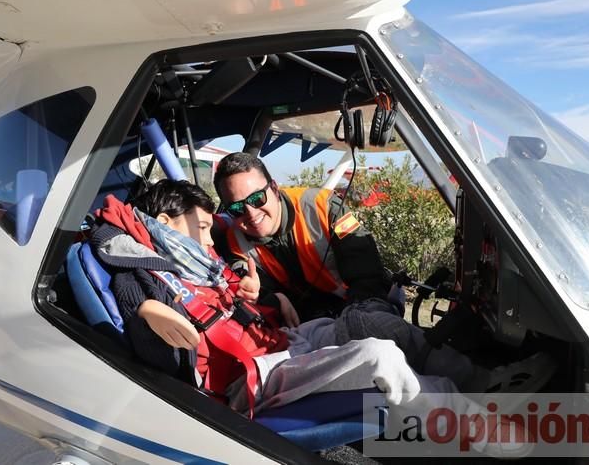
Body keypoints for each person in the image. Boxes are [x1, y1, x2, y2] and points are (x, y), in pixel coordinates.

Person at [88, 180, 554, 424]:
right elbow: (110, 236)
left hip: (276, 341)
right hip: (247, 380)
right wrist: (145, 310)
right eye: (206, 225)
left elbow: (229, 294)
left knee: (371, 322)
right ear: (166, 223)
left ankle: (483, 383)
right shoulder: (149, 267)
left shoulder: (192, 257)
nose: (215, 237)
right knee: (378, 356)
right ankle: (478, 424)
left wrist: (268, 297)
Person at [213, 152, 399, 323]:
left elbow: (367, 273)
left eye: (257, 199)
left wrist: (350, 320)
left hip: (358, 304)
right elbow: (252, 289)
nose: (251, 213)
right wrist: (264, 298)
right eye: (237, 208)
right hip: (304, 327)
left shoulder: (325, 207)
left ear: (275, 189)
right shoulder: (234, 243)